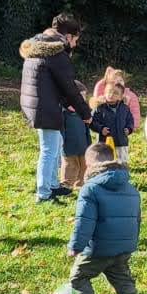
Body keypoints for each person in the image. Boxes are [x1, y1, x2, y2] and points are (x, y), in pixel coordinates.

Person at [66, 144, 143, 294]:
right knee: (123, 279)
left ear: (90, 164)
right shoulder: (131, 188)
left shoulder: (90, 189)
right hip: (123, 248)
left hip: (98, 248)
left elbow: (84, 221)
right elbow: (137, 220)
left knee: (79, 277)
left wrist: (76, 246)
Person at [19, 13, 92, 205]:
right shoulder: (56, 54)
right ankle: (43, 193)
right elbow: (69, 88)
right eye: (75, 39)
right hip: (45, 107)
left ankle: (52, 184)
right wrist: (85, 113)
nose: (75, 44)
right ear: (68, 36)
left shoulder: (38, 48)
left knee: (56, 144)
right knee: (49, 150)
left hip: (38, 104)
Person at [90, 83, 135, 163]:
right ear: (104, 93)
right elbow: (92, 122)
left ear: (120, 97)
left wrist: (129, 129)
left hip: (121, 142)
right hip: (105, 143)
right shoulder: (99, 108)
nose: (111, 94)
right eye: (109, 92)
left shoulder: (125, 108)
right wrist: (101, 129)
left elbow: (130, 121)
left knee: (122, 163)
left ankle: (122, 175)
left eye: (115, 93)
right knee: (106, 163)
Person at [60, 81, 91, 190]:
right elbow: (62, 131)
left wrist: (89, 143)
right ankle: (66, 185)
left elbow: (87, 130)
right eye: (79, 97)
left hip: (83, 145)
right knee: (70, 165)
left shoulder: (84, 113)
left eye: (83, 97)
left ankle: (80, 184)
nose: (81, 101)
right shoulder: (64, 114)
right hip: (69, 146)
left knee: (84, 165)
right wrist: (61, 144)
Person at [93, 67, 143, 133]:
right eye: (115, 80)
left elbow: (135, 111)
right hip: (105, 131)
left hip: (122, 129)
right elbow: (95, 104)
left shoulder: (130, 95)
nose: (118, 82)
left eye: (121, 80)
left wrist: (132, 126)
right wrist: (100, 128)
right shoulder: (106, 95)